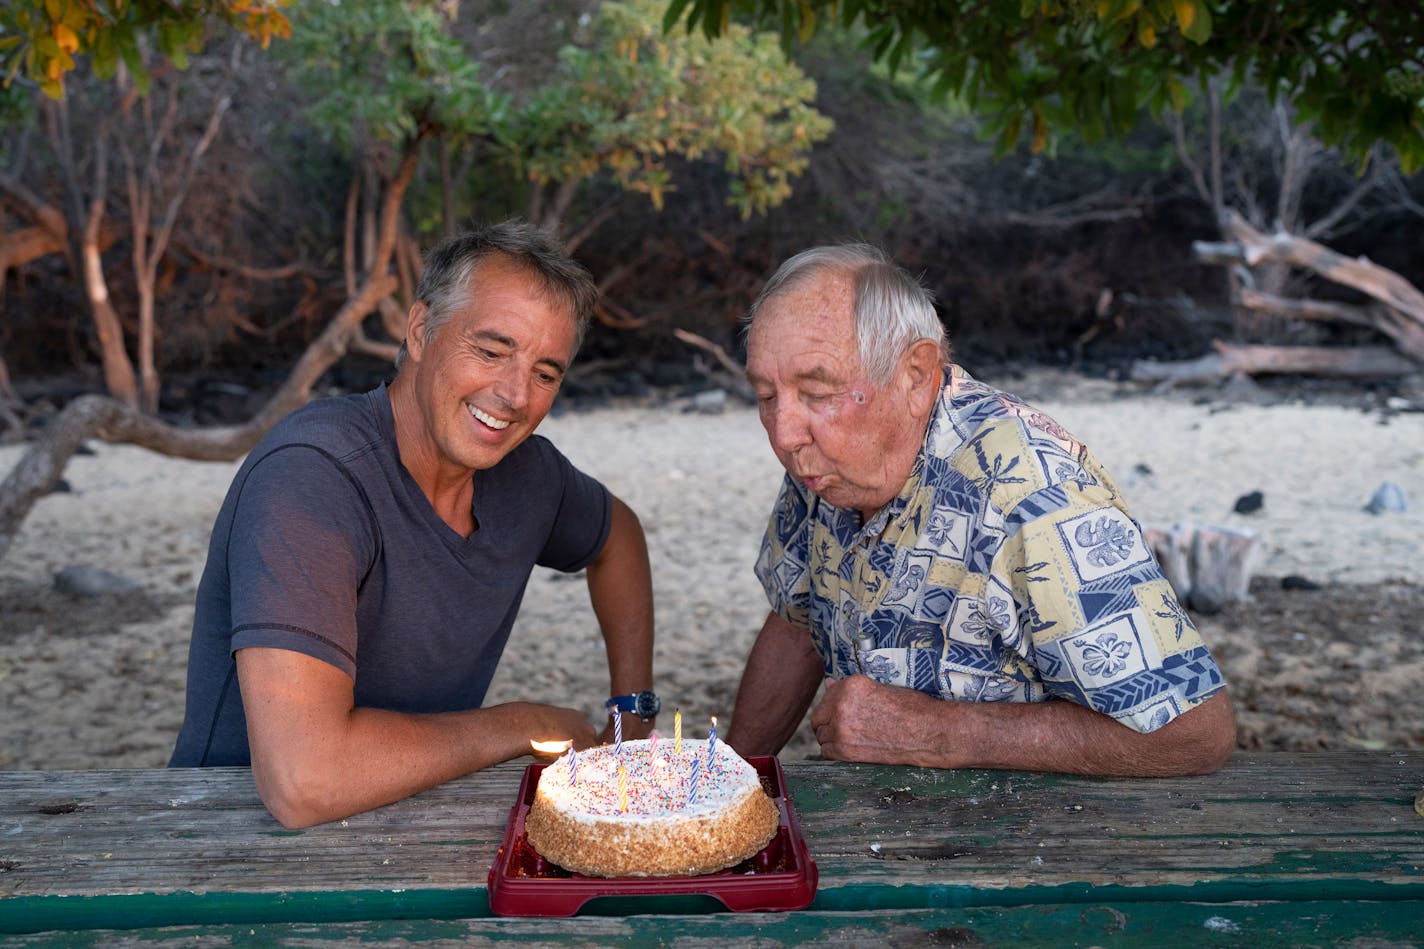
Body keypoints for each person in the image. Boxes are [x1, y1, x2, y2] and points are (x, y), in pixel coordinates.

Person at [170, 220, 659, 827]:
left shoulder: (528, 474)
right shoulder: (312, 477)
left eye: (545, 373)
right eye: (491, 350)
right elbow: (303, 783)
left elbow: (619, 538)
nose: (513, 395)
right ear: (422, 331)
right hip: (232, 846)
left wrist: (631, 714)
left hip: (411, 823)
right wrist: (522, 724)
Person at [726, 243, 1236, 777]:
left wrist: (937, 734)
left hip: (1040, 843)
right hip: (889, 835)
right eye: (766, 396)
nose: (783, 434)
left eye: (817, 391)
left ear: (916, 375)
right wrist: (722, 787)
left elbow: (1196, 732)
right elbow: (796, 621)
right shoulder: (822, 465)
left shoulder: (1033, 496)